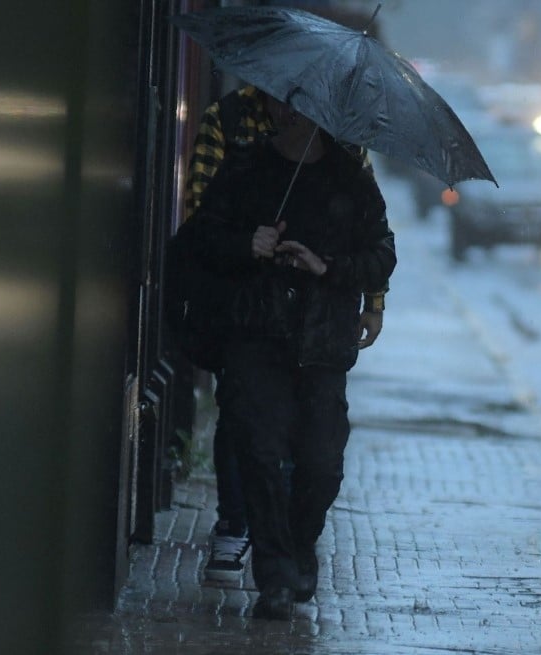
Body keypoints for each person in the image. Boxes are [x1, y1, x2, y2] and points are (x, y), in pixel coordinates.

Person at [182, 93, 396, 619]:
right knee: (259, 452)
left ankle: (299, 548)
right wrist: (247, 244)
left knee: (322, 463)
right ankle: (275, 575)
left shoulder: (350, 178)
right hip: (256, 334)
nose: (290, 113)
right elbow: (201, 237)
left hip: (322, 344)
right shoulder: (247, 167)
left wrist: (329, 268)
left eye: (303, 107)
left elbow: (381, 254)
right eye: (284, 104)